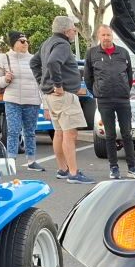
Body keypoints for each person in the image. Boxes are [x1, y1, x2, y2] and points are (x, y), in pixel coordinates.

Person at [31, 15, 93, 184]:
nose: (75, 32)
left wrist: (43, 82)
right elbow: (53, 63)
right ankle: (73, 173)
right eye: (74, 29)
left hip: (51, 96)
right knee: (70, 134)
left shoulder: (47, 43)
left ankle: (63, 169)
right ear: (66, 31)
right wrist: (57, 84)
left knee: (59, 132)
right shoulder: (62, 44)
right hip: (63, 95)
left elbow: (34, 63)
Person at [85, 25, 135, 179]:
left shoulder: (123, 53)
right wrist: (98, 92)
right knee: (110, 135)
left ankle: (132, 168)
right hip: (104, 101)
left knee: (127, 134)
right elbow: (88, 78)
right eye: (103, 35)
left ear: (112, 36)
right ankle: (114, 168)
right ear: (99, 36)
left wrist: (124, 90)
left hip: (123, 99)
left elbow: (129, 76)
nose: (106, 38)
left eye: (109, 35)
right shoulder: (92, 54)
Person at [0, 31, 45, 172]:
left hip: (32, 100)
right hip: (12, 99)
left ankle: (31, 161)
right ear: (13, 43)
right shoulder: (4, 58)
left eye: (27, 41)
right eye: (22, 41)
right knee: (13, 131)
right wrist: (5, 79)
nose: (26, 43)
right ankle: (10, 161)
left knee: (30, 131)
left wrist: (44, 103)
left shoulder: (34, 59)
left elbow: (41, 81)